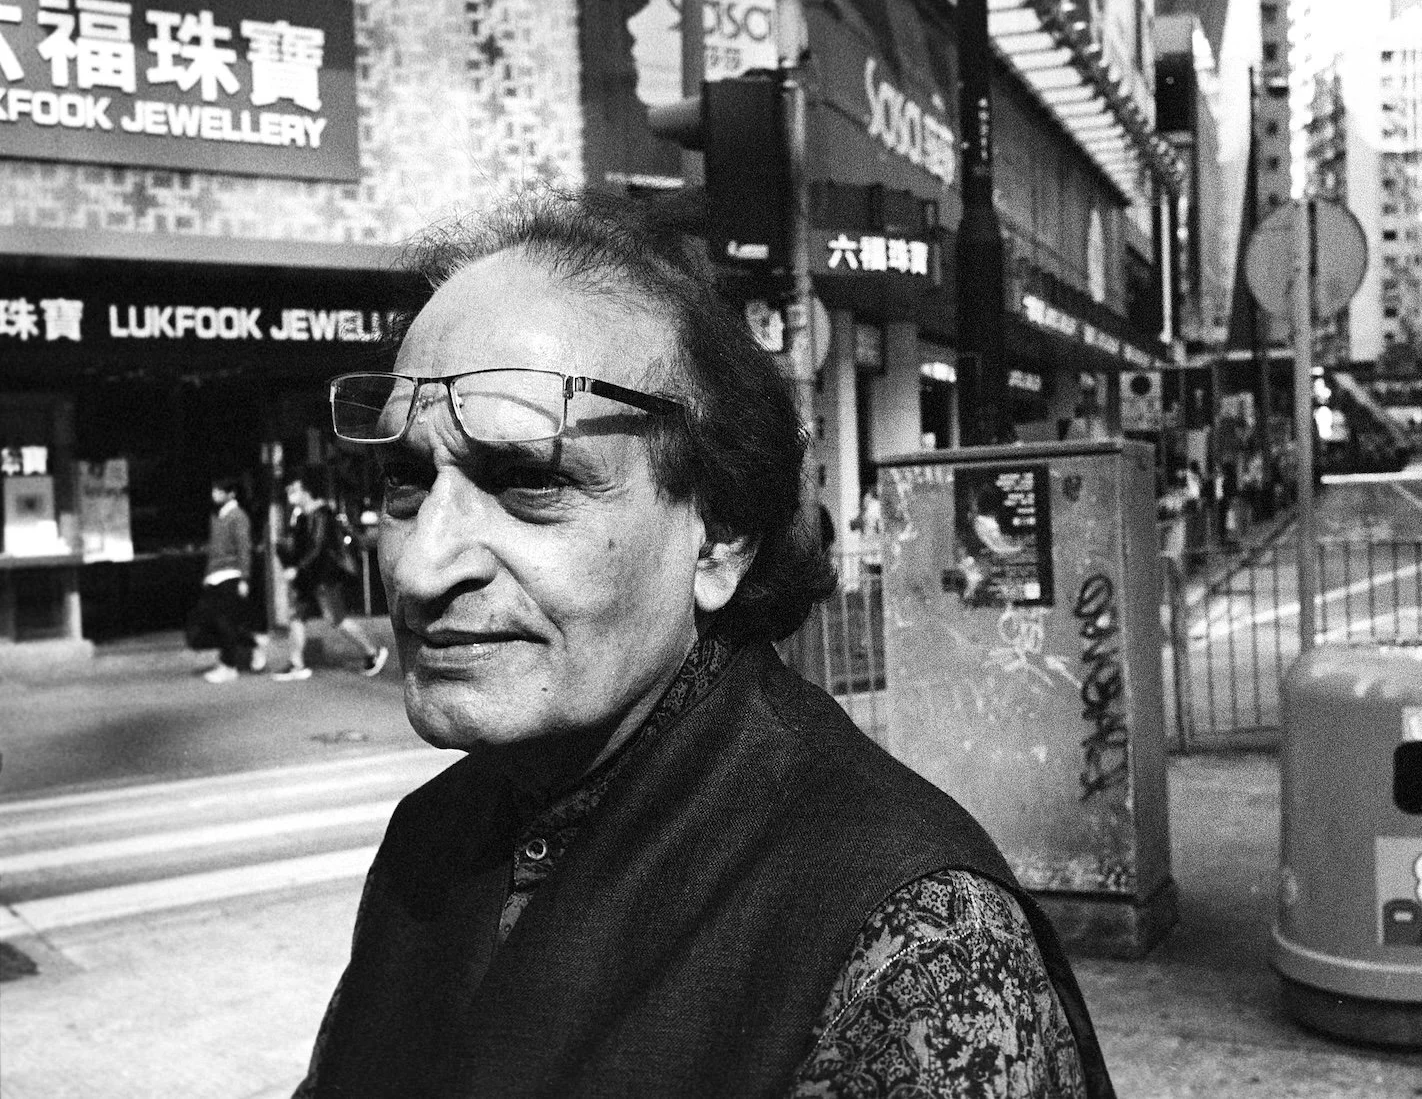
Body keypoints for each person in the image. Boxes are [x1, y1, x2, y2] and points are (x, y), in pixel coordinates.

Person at [295, 188, 1116, 1098]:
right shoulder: (432, 841)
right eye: (406, 481)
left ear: (719, 539)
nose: (421, 566)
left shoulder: (908, 936)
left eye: (531, 481)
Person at [275, 467, 390, 681]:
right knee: (296, 616)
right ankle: (296, 663)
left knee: (336, 618)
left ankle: (373, 652)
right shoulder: (300, 515)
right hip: (308, 577)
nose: (290, 493)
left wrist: (297, 568)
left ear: (307, 491)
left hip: (323, 576)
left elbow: (317, 548)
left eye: (295, 489)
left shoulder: (321, 514)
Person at [189, 475, 268, 683]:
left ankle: (228, 665)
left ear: (231, 494)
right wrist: (208, 575)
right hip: (215, 576)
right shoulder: (217, 516)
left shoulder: (238, 516)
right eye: (213, 491)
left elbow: (244, 548)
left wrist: (245, 578)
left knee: (224, 621)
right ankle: (251, 644)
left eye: (219, 491)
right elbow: (213, 550)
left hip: (231, 574)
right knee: (211, 621)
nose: (214, 495)